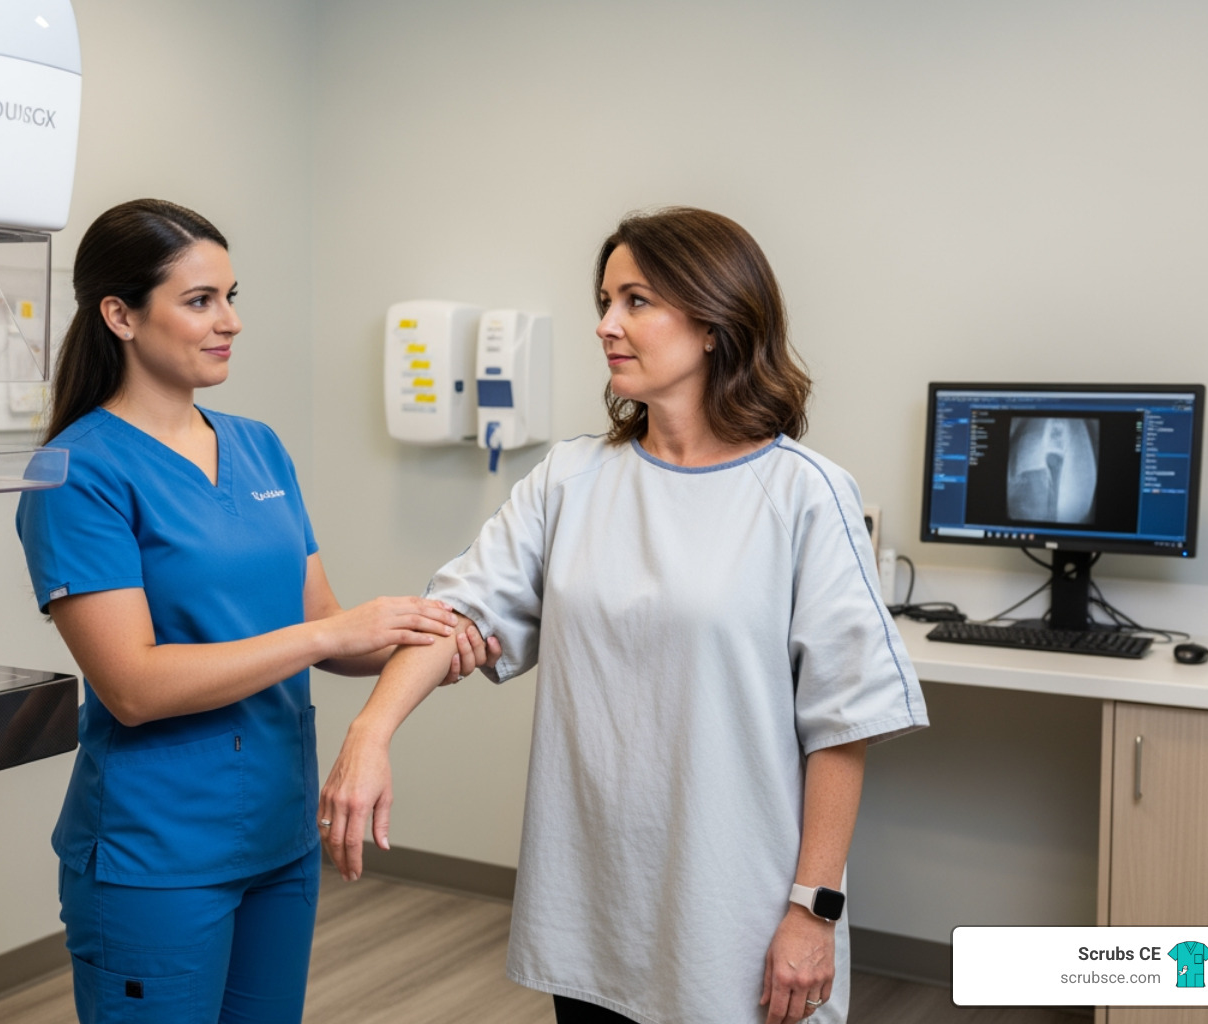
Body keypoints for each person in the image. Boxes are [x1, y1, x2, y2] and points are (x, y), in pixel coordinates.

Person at [318, 207, 929, 1024]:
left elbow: (843, 721)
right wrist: (370, 733)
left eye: (636, 301)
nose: (606, 324)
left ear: (715, 322)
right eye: (604, 301)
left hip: (739, 909)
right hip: (596, 902)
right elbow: (456, 613)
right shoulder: (571, 478)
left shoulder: (803, 493)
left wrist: (812, 910)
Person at [15, 198, 497, 1024]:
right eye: (200, 301)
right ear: (120, 315)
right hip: (156, 849)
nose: (229, 321)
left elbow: (333, 631)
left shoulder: (258, 446)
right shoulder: (75, 474)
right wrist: (328, 634)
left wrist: (429, 643)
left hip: (281, 833)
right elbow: (131, 684)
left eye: (232, 297)